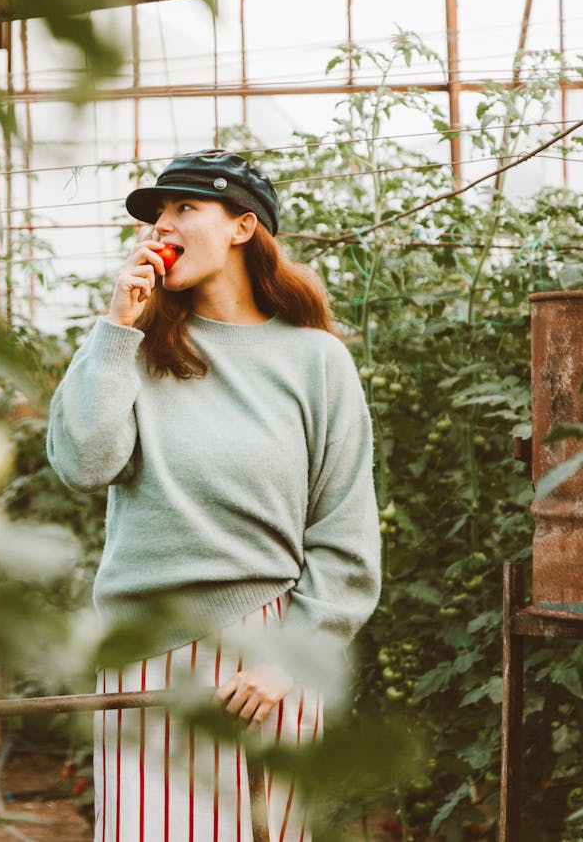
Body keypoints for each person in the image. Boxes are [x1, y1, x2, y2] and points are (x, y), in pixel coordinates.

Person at [46, 150, 382, 842]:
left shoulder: (317, 361)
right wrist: (116, 328)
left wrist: (287, 660)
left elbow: (345, 536)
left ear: (242, 227)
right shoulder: (132, 347)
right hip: (144, 648)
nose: (159, 227)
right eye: (156, 214)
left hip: (271, 654)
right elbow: (83, 463)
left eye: (183, 208)